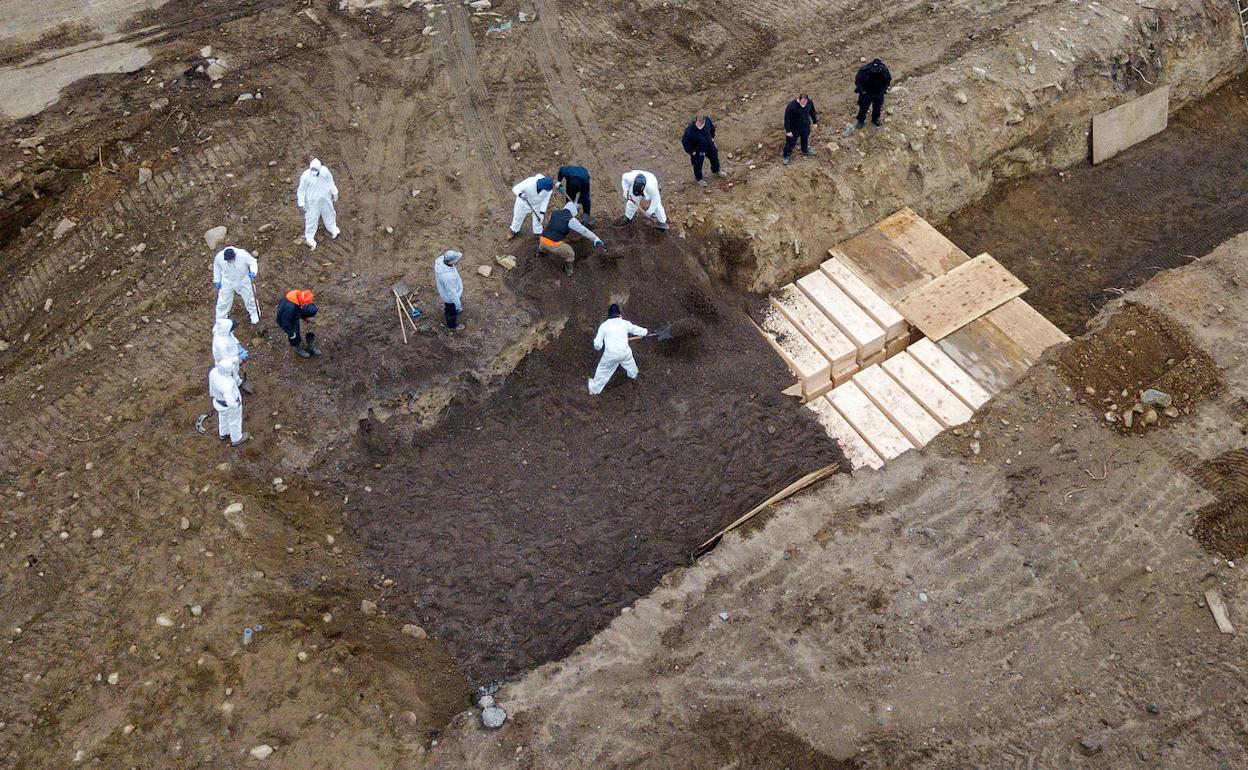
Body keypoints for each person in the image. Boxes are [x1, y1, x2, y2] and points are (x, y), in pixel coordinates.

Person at [587, 304, 647, 395]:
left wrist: (599, 347)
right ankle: (634, 376)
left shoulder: (604, 326)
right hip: (624, 353)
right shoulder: (625, 323)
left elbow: (597, 344)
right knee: (630, 364)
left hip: (610, 355)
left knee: (603, 370)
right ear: (619, 314)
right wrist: (645, 332)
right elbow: (638, 330)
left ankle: (594, 389)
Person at [539, 200, 604, 276]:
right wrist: (595, 238)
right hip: (553, 246)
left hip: (542, 240)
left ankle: (540, 253)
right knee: (570, 254)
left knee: (544, 244)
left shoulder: (555, 213)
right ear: (574, 212)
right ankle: (569, 272)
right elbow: (584, 231)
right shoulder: (571, 220)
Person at [296, 158, 340, 250]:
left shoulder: (325, 172)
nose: (314, 171)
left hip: (325, 198)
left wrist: (334, 192)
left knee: (329, 213)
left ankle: (332, 227)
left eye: (316, 170)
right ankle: (309, 237)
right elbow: (301, 190)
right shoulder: (305, 176)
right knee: (312, 218)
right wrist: (302, 202)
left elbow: (330, 181)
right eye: (313, 169)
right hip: (312, 202)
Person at [212, 246, 260, 325]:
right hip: (227, 281)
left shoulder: (242, 254)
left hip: (243, 280)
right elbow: (217, 268)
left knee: (250, 297)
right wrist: (217, 280)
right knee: (223, 301)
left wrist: (253, 272)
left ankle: (254, 313)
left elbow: (252, 262)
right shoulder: (219, 257)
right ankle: (221, 319)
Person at [209, 356, 249, 446]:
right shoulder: (226, 384)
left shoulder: (214, 372)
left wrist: (240, 359)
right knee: (234, 421)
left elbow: (211, 391)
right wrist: (236, 405)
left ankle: (224, 433)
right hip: (229, 406)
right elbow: (230, 402)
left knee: (223, 417)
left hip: (218, 402)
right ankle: (236, 438)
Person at [212, 317, 254, 394]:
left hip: (232, 355)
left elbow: (231, 336)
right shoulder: (221, 344)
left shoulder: (222, 330)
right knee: (230, 375)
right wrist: (238, 357)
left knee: (235, 371)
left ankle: (238, 382)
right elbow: (226, 360)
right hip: (226, 364)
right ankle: (232, 390)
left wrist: (238, 345)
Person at [276, 289, 320, 359]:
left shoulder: (298, 296)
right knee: (294, 333)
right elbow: (284, 323)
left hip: (295, 311)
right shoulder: (289, 308)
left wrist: (305, 317)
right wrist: (291, 333)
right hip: (288, 320)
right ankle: (298, 348)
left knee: (312, 310)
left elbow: (299, 308)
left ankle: (309, 346)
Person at [508, 174, 555, 239]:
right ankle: (514, 230)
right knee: (518, 217)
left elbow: (545, 200)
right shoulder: (529, 182)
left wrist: (542, 211)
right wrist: (520, 194)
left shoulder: (548, 189)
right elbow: (515, 188)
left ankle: (538, 232)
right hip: (523, 203)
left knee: (538, 219)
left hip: (537, 205)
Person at [681, 115, 724, 186]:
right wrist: (692, 151)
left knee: (714, 157)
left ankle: (716, 170)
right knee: (697, 164)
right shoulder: (690, 130)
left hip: (709, 145)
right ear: (696, 120)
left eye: (703, 121)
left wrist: (712, 138)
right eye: (699, 122)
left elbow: (712, 129)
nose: (701, 123)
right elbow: (685, 142)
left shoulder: (707, 121)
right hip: (698, 150)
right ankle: (699, 179)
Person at [855, 58, 892, 128]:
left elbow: (888, 79)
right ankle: (861, 120)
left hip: (878, 93)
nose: (875, 70)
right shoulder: (865, 69)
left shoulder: (883, 70)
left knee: (877, 108)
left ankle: (875, 119)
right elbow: (858, 80)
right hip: (866, 93)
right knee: (863, 108)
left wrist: (884, 89)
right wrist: (862, 91)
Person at [782, 93, 818, 165]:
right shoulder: (791, 106)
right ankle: (786, 155)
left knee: (805, 139)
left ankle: (805, 150)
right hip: (794, 128)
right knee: (790, 142)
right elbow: (787, 119)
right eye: (802, 102)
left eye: (805, 102)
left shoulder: (810, 102)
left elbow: (812, 112)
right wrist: (788, 130)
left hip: (805, 126)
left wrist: (814, 122)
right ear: (799, 100)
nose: (804, 103)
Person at [434, 250, 466, 331]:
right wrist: (457, 304)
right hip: (450, 298)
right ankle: (451, 325)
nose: (457, 260)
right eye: (456, 259)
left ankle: (453, 310)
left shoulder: (441, 262)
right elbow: (452, 293)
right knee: (451, 310)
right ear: (450, 261)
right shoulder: (448, 277)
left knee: (450, 307)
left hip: (447, 291)